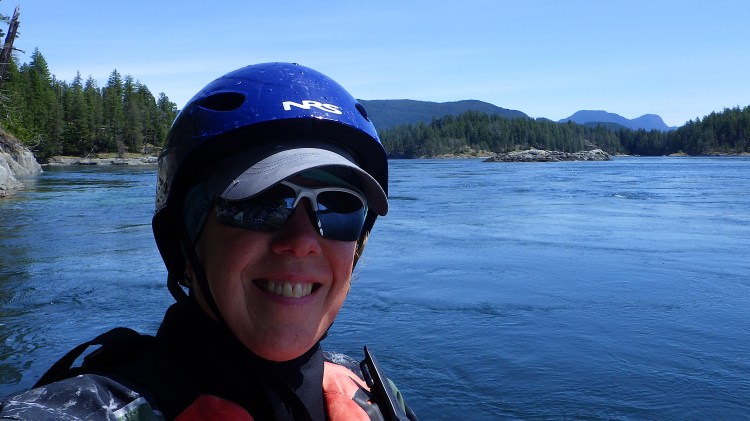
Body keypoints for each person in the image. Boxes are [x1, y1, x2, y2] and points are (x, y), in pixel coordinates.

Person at [0, 62, 418, 420]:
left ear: (358, 246)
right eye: (262, 203)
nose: (302, 241)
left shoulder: (374, 395)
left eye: (340, 207)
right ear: (184, 240)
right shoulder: (82, 408)